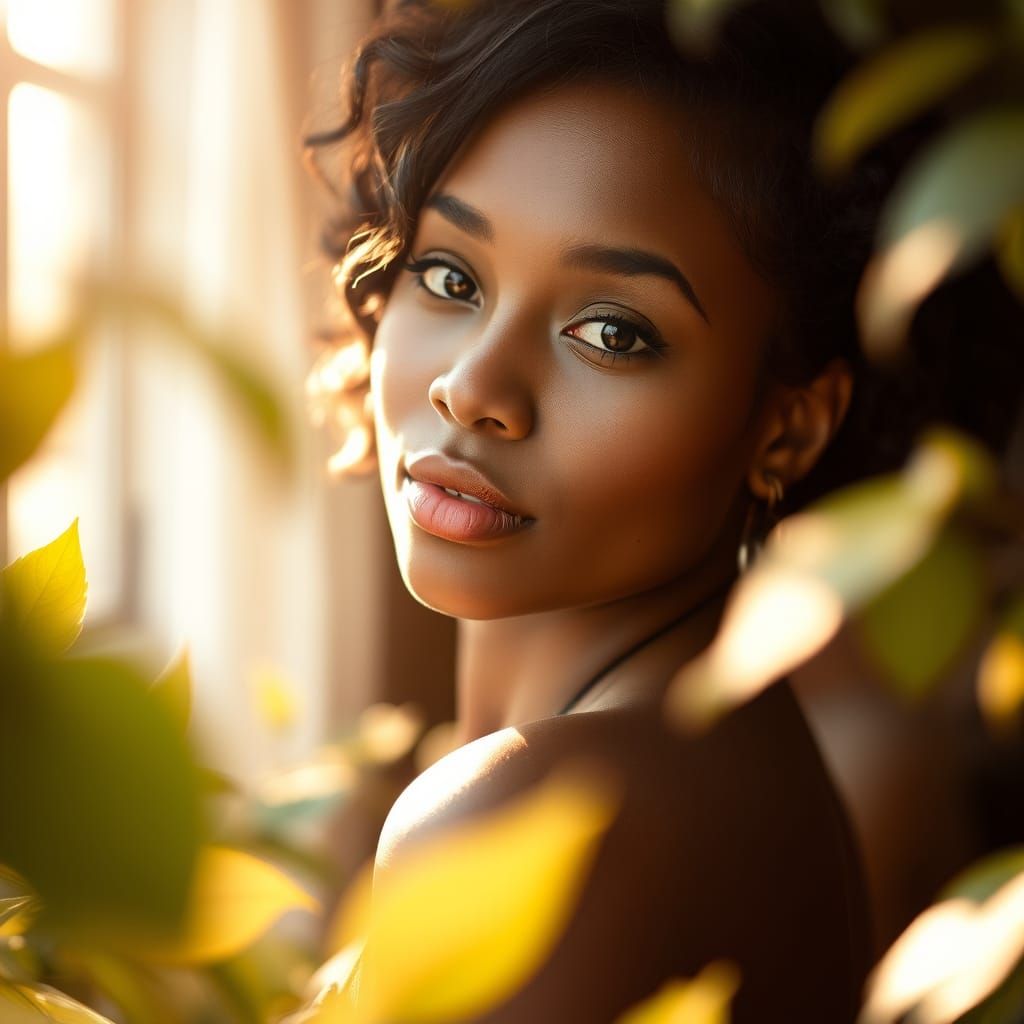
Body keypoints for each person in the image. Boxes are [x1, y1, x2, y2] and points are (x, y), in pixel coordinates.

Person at [304, 0, 889, 1018]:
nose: (474, 386)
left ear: (788, 425)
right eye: (449, 275)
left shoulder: (534, 821)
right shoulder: (737, 764)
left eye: (613, 334)